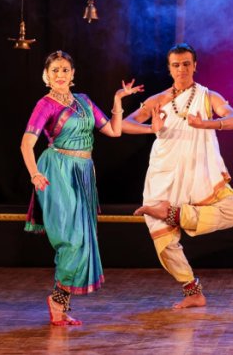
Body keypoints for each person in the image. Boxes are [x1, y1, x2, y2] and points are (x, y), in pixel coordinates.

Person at [21, 50, 143, 325]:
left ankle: (59, 303)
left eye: (65, 70)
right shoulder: (45, 104)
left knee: (83, 238)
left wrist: (117, 99)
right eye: (55, 71)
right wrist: (34, 174)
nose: (61, 75)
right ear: (46, 76)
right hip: (57, 171)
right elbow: (26, 143)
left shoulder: (84, 101)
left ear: (73, 74)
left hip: (84, 172)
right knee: (72, 239)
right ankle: (58, 301)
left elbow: (113, 131)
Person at [121, 43, 233, 308]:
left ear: (195, 65)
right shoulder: (158, 100)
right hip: (164, 173)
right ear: (169, 68)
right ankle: (192, 291)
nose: (181, 69)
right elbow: (124, 124)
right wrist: (151, 129)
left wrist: (206, 123)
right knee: (162, 237)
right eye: (176, 65)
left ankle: (175, 213)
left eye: (186, 64)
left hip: (200, 171)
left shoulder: (208, 96)